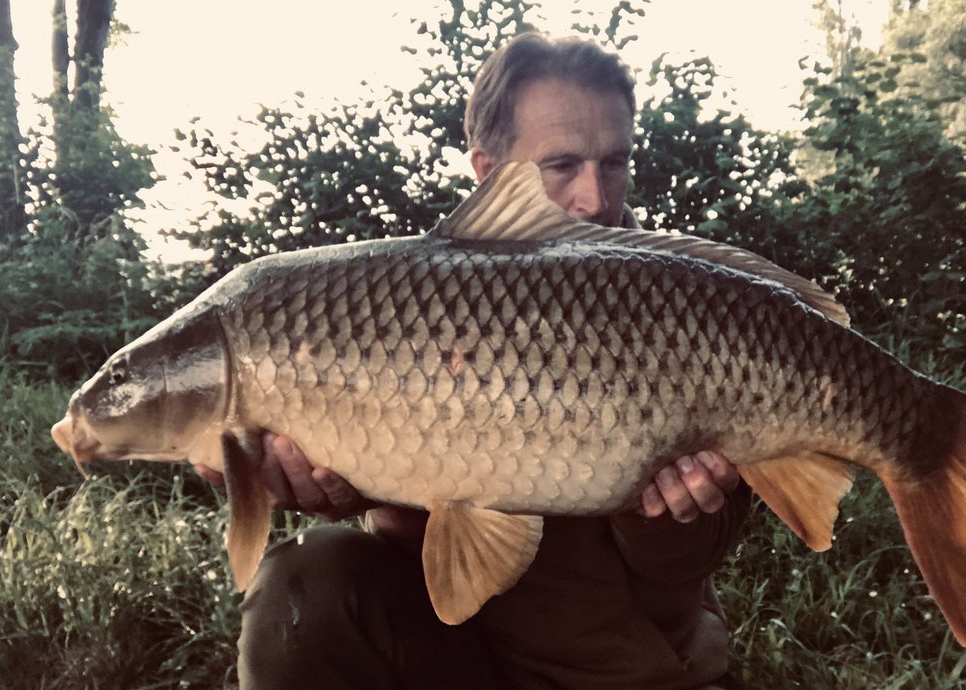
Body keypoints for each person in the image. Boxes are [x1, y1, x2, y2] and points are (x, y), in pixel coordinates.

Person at [196, 32, 750, 690]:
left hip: (634, 673)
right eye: (563, 165)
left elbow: (683, 570)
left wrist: (657, 514)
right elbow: (409, 540)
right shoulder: (408, 307)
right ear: (489, 173)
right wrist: (335, 487)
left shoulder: (680, 305)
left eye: (615, 162)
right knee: (305, 583)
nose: (596, 199)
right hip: (464, 661)